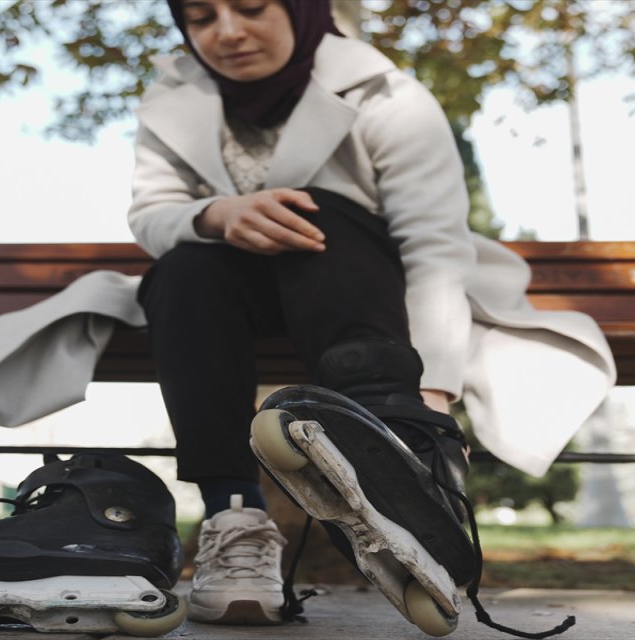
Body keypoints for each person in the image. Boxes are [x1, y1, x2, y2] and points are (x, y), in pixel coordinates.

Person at [130, 0, 481, 627]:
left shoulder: (387, 94)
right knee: (185, 268)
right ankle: (234, 519)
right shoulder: (170, 98)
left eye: (250, 7)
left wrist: (432, 394)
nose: (228, 32)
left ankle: (400, 445)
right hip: (225, 300)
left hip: (356, 289)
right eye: (201, 17)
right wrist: (216, 215)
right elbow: (153, 213)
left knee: (318, 210)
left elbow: (433, 243)